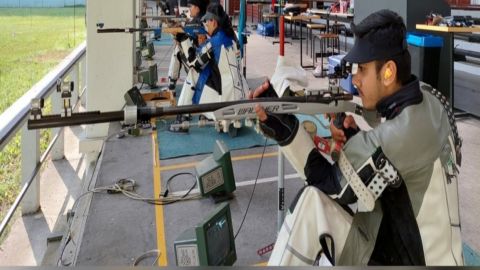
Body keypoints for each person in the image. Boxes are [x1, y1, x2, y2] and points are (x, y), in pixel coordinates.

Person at [251, 9, 463, 265]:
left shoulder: (392, 137)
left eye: (362, 69)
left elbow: (327, 183)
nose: (354, 78)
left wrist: (282, 126)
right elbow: (402, 160)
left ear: (388, 72)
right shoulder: (431, 98)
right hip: (435, 253)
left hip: (405, 259)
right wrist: (355, 136)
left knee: (311, 203)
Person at [171, 3, 248, 132]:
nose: (206, 24)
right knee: (206, 69)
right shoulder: (232, 38)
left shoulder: (214, 42)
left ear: (214, 22)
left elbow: (193, 62)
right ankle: (202, 116)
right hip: (240, 96)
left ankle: (182, 118)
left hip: (224, 102)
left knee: (193, 73)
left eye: (207, 21)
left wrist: (184, 39)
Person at [166, 0, 210, 91]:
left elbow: (186, 38)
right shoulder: (207, 19)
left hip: (198, 67)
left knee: (178, 49)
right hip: (206, 64)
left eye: (191, 6)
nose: (189, 9)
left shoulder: (196, 22)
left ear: (197, 8)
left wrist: (177, 34)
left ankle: (171, 83)